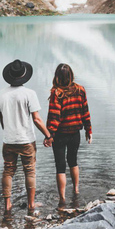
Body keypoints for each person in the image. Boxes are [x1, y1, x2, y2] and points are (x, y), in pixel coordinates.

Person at [0, 59, 52, 217]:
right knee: (30, 172)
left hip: (8, 139)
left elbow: (2, 119)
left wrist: (8, 131)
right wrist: (48, 135)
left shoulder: (1, 94)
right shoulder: (29, 94)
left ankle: (7, 205)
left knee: (8, 171)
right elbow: (37, 119)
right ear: (23, 75)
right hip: (26, 139)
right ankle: (31, 204)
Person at [45, 63, 92, 210]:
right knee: (73, 161)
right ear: (71, 75)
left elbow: (54, 116)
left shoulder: (56, 93)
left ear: (57, 77)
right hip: (75, 133)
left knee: (60, 166)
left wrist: (49, 135)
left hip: (60, 134)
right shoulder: (80, 90)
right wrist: (88, 130)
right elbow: (85, 111)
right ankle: (76, 190)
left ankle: (62, 199)